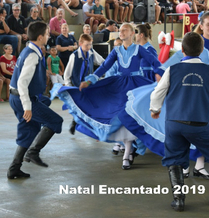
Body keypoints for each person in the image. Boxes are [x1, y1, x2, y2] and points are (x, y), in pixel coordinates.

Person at [120, 12, 209, 179]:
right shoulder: (194, 42)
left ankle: (200, 165)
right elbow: (177, 59)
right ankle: (186, 164)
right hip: (194, 87)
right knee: (193, 124)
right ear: (201, 25)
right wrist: (161, 73)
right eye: (208, 24)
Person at [51, 23, 164, 170]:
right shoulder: (116, 50)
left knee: (132, 117)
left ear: (132, 34)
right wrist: (90, 80)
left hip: (136, 86)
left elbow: (156, 63)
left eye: (124, 30)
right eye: (120, 30)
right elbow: (104, 67)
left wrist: (160, 75)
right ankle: (127, 151)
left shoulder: (139, 49)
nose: (121, 32)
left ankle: (129, 152)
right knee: (119, 116)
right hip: (119, 86)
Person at [150, 32, 209, 211]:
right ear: (202, 50)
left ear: (182, 50)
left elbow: (158, 92)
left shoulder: (172, 70)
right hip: (200, 124)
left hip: (174, 123)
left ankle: (179, 200)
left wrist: (155, 109)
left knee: (174, 159)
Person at [7, 21, 63, 179]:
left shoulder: (30, 50)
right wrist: (28, 108)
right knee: (55, 121)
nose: (48, 36)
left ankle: (14, 169)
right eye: (47, 33)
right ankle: (33, 152)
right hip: (23, 98)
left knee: (29, 130)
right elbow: (22, 83)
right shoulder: (32, 55)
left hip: (17, 97)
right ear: (40, 37)